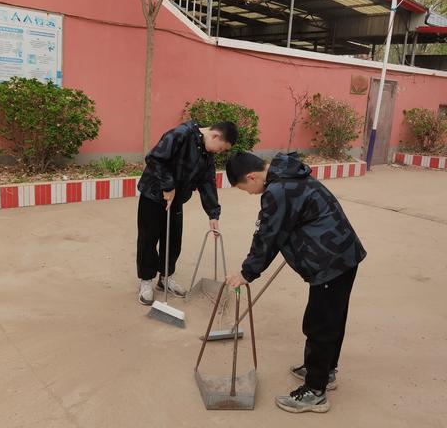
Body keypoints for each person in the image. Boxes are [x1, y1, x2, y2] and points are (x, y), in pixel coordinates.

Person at [224, 151, 366, 413]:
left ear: (251, 176)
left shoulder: (278, 191)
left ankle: (315, 392)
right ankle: (326, 371)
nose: (250, 193)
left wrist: (247, 273)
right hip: (343, 256)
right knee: (333, 318)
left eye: (246, 189)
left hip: (330, 263)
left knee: (320, 324)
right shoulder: (288, 173)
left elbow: (266, 236)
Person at [136, 120, 238, 305]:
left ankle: (165, 278)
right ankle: (146, 281)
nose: (219, 152)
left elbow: (207, 181)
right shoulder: (181, 134)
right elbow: (154, 158)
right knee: (148, 239)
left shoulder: (207, 153)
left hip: (176, 199)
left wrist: (213, 213)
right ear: (215, 136)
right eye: (221, 148)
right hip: (153, 195)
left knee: (173, 240)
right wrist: (167, 186)